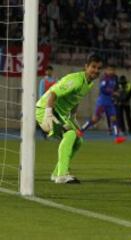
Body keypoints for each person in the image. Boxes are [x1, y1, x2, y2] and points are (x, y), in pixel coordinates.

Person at [35, 54, 103, 184]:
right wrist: (48, 114)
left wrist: (73, 117)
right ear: (86, 67)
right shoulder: (76, 80)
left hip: (60, 113)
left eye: (98, 68)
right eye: (93, 67)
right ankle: (62, 175)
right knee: (70, 134)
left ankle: (57, 173)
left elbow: (75, 99)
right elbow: (53, 94)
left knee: (79, 141)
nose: (96, 70)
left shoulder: (89, 83)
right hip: (45, 110)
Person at [81, 64, 126, 143]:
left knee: (114, 118)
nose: (111, 72)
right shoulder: (104, 79)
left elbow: (115, 88)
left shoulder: (115, 78)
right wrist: (114, 93)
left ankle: (117, 137)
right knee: (95, 119)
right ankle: (81, 130)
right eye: (110, 70)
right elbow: (102, 89)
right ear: (106, 71)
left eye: (113, 70)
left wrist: (118, 92)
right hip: (102, 102)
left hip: (110, 102)